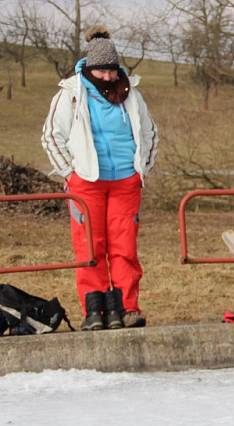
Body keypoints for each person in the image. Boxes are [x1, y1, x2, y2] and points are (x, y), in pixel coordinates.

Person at [42, 26, 158, 331]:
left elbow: (150, 132)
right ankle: (94, 310)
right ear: (88, 67)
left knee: (124, 247)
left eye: (111, 70)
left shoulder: (132, 94)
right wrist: (69, 173)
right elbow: (52, 136)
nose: (107, 77)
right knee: (90, 246)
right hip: (86, 184)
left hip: (125, 182)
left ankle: (126, 308)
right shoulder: (70, 95)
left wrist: (140, 168)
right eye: (101, 70)